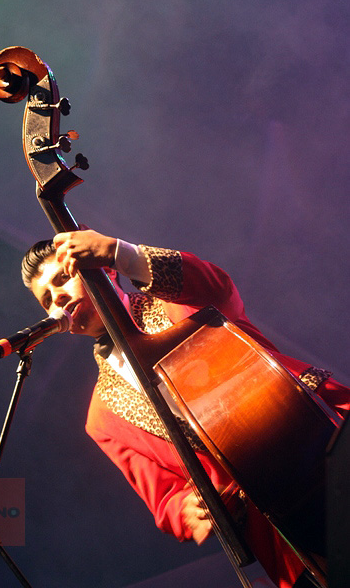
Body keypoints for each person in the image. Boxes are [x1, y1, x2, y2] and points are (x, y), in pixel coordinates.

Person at [21, 229, 350, 588]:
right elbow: (165, 499)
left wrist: (119, 252)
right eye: (46, 299)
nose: (57, 298)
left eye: (62, 278)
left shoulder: (176, 303)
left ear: (106, 271)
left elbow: (217, 288)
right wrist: (187, 510)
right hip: (281, 528)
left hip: (322, 432)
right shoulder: (101, 418)